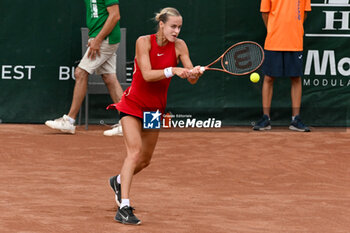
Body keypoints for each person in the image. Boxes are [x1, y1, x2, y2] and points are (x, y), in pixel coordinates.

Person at [108, 7, 203, 225]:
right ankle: (124, 207)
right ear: (161, 24)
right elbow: (148, 74)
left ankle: (119, 181)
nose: (176, 31)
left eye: (179, 27)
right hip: (132, 105)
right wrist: (174, 70)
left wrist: (194, 73)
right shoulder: (144, 41)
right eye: (173, 26)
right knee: (134, 152)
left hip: (154, 110)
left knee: (145, 160)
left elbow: (190, 78)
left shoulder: (180, 46)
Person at [45, 0, 124, 136]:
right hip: (101, 38)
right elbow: (96, 15)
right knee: (109, 78)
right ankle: (127, 123)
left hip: (106, 39)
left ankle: (69, 121)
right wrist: (93, 36)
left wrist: (98, 39)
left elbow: (115, 16)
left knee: (80, 72)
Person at [253, 0, 311, 132]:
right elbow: (265, 13)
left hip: (295, 40)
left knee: (296, 78)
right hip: (274, 40)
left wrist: (294, 29)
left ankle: (295, 119)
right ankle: (265, 118)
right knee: (268, 78)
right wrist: (274, 30)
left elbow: (305, 13)